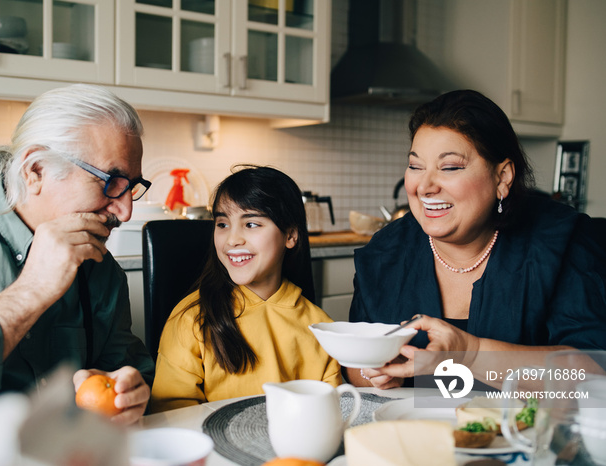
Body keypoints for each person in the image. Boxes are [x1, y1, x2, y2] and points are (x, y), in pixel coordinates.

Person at [0, 84, 155, 459]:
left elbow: (129, 373)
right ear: (36, 169)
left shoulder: (102, 271)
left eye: (130, 188)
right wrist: (33, 288)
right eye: (110, 183)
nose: (125, 212)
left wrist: (131, 395)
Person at [348, 89, 606, 389]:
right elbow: (354, 368)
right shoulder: (383, 253)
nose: (425, 186)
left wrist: (471, 354)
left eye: (450, 167)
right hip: (415, 432)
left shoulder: (564, 245)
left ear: (503, 177)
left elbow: (591, 376)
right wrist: (377, 373)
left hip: (523, 433)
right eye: (416, 166)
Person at [150, 165, 341, 412]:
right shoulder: (191, 318)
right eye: (222, 224)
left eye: (251, 224)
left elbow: (333, 409)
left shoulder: (319, 326)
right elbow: (171, 414)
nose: (232, 239)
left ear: (291, 235)